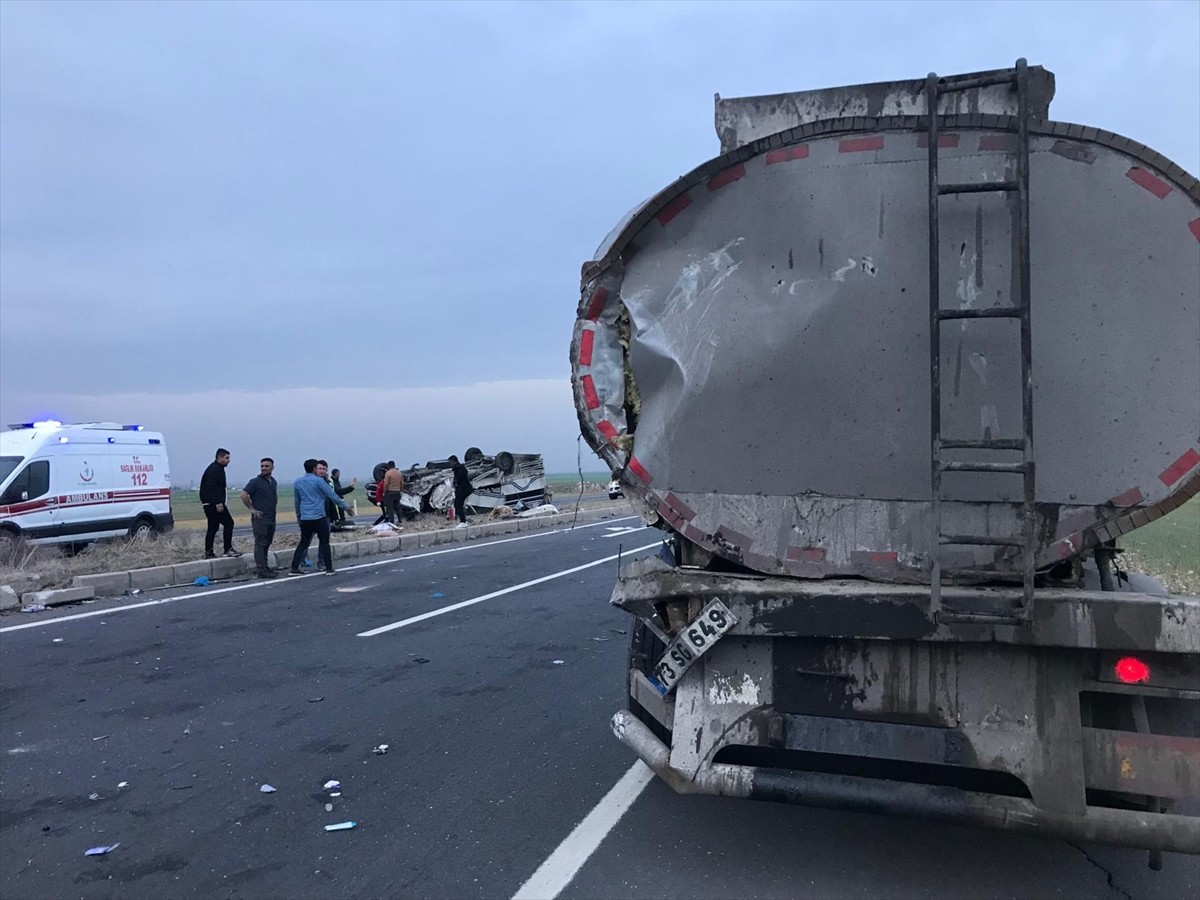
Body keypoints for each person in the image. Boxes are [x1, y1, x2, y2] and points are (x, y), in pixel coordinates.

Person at [290, 459, 350, 576]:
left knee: (303, 542)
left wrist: (299, 517)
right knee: (324, 543)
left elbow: (297, 502)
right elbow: (332, 495)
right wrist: (345, 507)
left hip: (305, 518)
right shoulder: (319, 481)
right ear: (314, 468)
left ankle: (294, 568)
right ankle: (329, 569)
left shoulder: (298, 482)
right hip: (319, 516)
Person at [239, 457, 278, 578]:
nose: (264, 468)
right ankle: (261, 569)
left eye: (266, 466)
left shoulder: (273, 482)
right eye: (262, 466)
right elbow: (243, 494)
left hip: (271, 517)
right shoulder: (255, 482)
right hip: (260, 519)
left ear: (272, 467)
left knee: (267, 543)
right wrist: (252, 509)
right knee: (260, 543)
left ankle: (265, 567)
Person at [200, 448, 241, 559]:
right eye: (226, 458)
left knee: (213, 528)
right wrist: (218, 502)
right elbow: (212, 488)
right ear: (219, 457)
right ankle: (227, 549)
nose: (228, 460)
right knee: (229, 523)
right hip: (213, 504)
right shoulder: (214, 470)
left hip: (209, 503)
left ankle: (209, 552)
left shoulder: (217, 469)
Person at [448, 454, 472, 528]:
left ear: (453, 461)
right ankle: (464, 520)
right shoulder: (460, 467)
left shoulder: (458, 468)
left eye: (450, 462)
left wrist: (457, 485)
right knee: (458, 504)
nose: (450, 464)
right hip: (463, 489)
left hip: (462, 489)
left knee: (458, 504)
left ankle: (463, 521)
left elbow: (460, 479)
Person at [380, 460, 406, 525]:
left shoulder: (388, 473)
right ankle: (400, 520)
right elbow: (402, 483)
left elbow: (386, 484)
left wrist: (384, 492)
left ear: (388, 466)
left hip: (390, 492)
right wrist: (400, 490)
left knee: (390, 508)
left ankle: (391, 521)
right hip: (397, 492)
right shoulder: (399, 473)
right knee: (397, 507)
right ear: (394, 465)